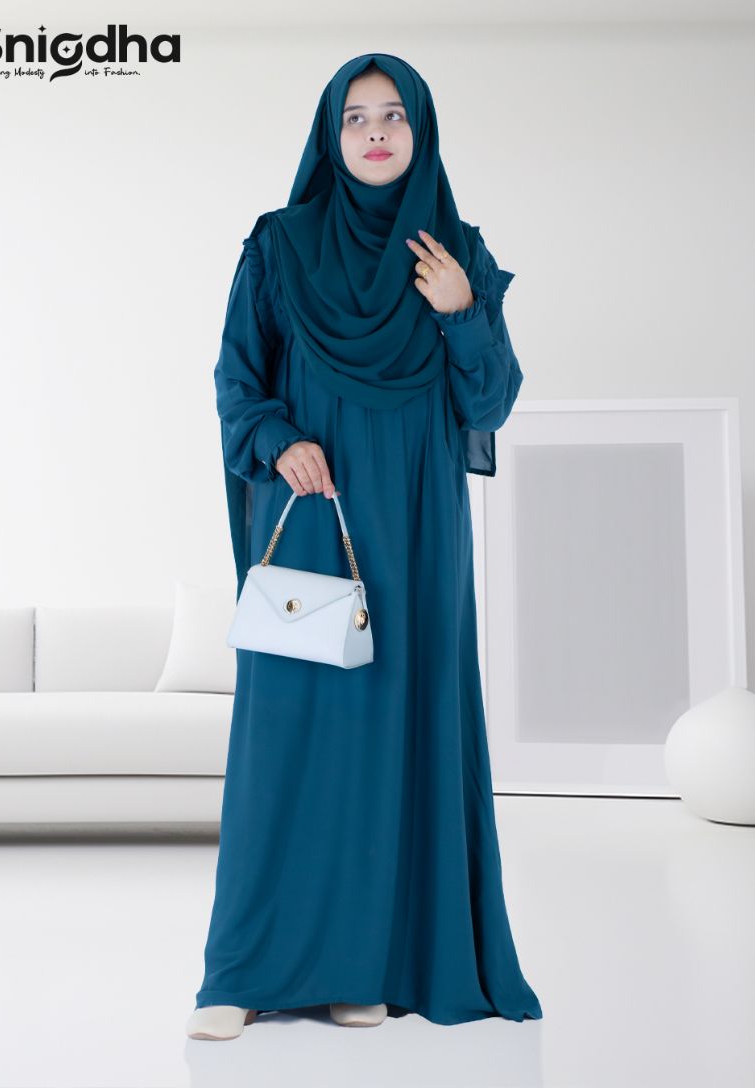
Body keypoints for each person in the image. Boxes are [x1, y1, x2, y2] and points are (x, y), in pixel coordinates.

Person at [186, 52, 542, 1041]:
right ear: (329, 135)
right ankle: (239, 973)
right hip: (315, 517)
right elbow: (235, 380)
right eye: (355, 117)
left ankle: (362, 965)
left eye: (393, 115)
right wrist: (276, 439)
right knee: (290, 735)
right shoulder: (280, 245)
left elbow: (489, 404)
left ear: (420, 132)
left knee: (393, 729)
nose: (376, 132)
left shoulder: (455, 252)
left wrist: (461, 314)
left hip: (419, 531)